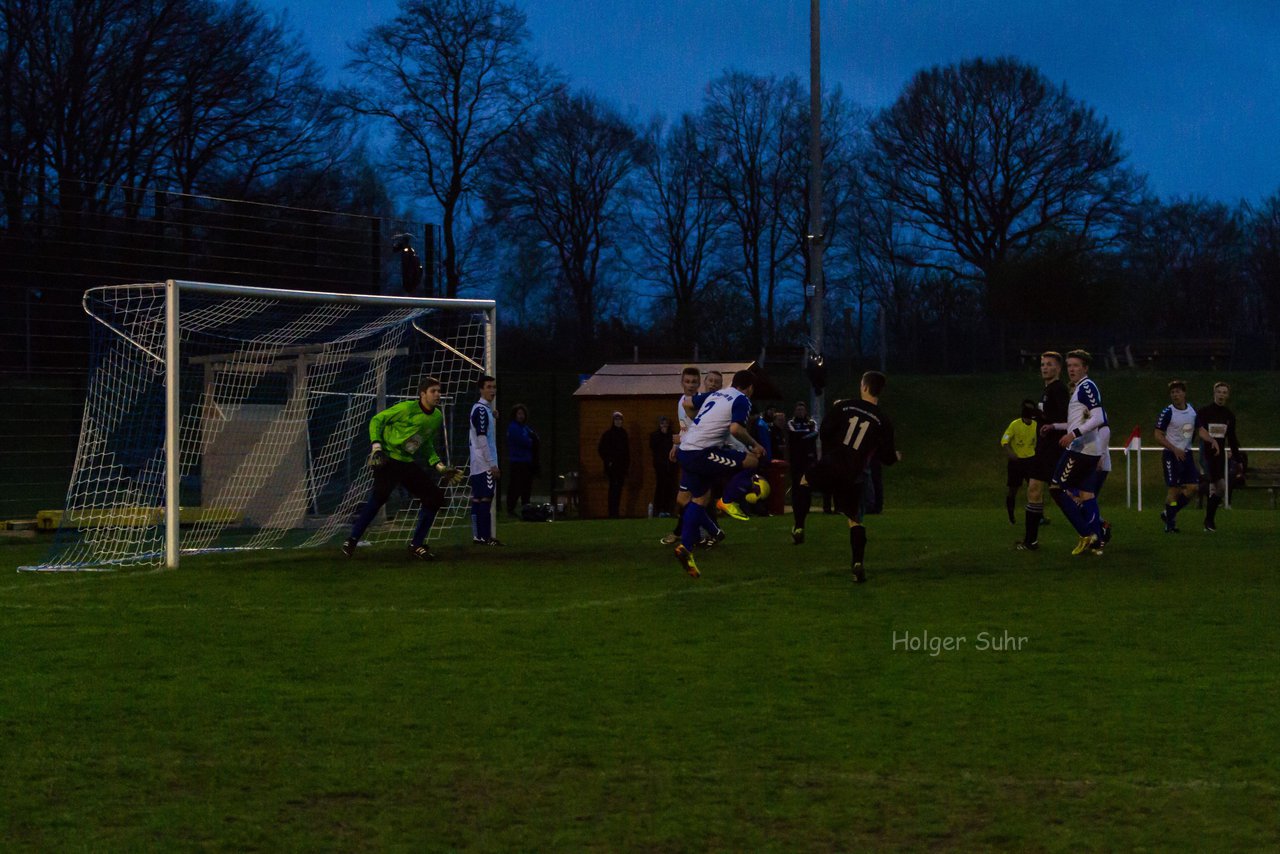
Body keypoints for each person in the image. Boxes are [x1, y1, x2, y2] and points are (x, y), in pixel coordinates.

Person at [790, 371, 900, 583]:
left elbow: (825, 431)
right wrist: (895, 456)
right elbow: (886, 457)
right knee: (854, 519)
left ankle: (800, 525)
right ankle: (857, 563)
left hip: (833, 462)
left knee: (804, 481)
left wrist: (834, 449)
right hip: (854, 473)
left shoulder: (845, 406)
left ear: (865, 387)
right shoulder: (883, 421)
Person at [341, 376, 464, 560]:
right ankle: (351, 540)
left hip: (406, 462)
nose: (438, 394)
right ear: (423, 394)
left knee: (435, 497)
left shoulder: (436, 416)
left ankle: (416, 545)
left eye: (439, 390)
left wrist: (439, 466)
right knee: (379, 497)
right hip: (388, 459)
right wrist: (377, 447)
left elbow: (426, 443)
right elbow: (376, 420)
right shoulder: (406, 408)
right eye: (433, 391)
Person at [672, 370, 766, 578]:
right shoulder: (742, 399)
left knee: (699, 498)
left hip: (686, 450)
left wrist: (700, 425)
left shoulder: (716, 394)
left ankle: (686, 548)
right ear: (750, 388)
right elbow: (735, 429)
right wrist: (755, 444)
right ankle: (727, 500)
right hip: (700, 453)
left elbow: (688, 403)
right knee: (753, 460)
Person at [1048, 350, 1108, 555]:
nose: (1071, 369)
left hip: (1081, 449)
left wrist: (1073, 434)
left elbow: (1099, 417)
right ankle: (1098, 541)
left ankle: (1086, 534)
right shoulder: (1080, 389)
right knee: (1086, 494)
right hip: (1088, 449)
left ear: (1085, 368)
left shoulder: (1087, 386)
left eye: (1076, 365)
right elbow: (1080, 419)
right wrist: (1057, 426)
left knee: (1056, 488)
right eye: (1069, 366)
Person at [660, 367, 724, 547]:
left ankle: (706, 532)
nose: (690, 385)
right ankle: (704, 532)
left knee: (696, 497)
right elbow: (685, 426)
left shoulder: (704, 403)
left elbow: (702, 429)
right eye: (687, 382)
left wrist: (682, 440)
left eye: (694, 382)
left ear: (698, 384)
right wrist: (676, 444)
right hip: (690, 452)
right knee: (692, 498)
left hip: (702, 454)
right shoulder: (683, 401)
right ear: (682, 383)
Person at [1017, 351, 1069, 551]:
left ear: (1058, 368)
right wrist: (1036, 416)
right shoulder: (1047, 390)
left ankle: (1097, 527)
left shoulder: (1059, 390)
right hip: (1043, 449)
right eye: (1042, 364)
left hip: (1054, 450)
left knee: (1068, 494)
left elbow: (1067, 421)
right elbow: (1049, 416)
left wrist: (1045, 420)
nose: (1044, 367)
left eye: (1049, 364)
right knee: (1034, 489)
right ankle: (1031, 541)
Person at [1195, 381, 1241, 532]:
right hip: (1206, 455)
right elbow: (1197, 431)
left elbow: (1232, 439)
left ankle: (1208, 522)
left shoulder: (1229, 416)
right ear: (1214, 393)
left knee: (1218, 489)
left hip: (1219, 456)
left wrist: (1238, 459)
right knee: (1219, 486)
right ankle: (1209, 522)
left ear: (1227, 396)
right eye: (1219, 392)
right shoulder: (1204, 412)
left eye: (1224, 392)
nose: (1221, 395)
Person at [1154, 380, 1199, 533]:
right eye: (1173, 392)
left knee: (1193, 488)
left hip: (1187, 454)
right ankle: (1170, 524)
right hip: (1171, 455)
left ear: (1184, 393)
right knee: (1174, 490)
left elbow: (1198, 429)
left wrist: (1211, 440)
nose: (1175, 395)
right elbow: (1158, 434)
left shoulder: (1192, 411)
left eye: (1178, 392)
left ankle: (1169, 513)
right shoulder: (1168, 412)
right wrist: (1174, 449)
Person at [469, 375, 502, 545]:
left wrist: (492, 413)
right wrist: (492, 465)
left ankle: (478, 536)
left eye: (494, 387)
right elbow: (482, 439)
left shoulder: (480, 409)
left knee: (477, 499)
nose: (492, 390)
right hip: (484, 463)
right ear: (481, 389)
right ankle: (486, 537)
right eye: (488, 387)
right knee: (485, 499)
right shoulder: (481, 410)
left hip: (476, 463)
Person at [1000, 399, 1039, 524]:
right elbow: (1004, 440)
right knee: (1013, 490)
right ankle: (1011, 515)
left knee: (1035, 488)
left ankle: (1039, 516)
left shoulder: (1035, 425)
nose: (1029, 421)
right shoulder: (1014, 425)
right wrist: (1010, 452)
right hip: (1016, 462)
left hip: (1030, 461)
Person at [505, 403, 538, 517]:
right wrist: (531, 441)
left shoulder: (524, 427)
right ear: (514, 415)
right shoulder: (513, 427)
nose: (521, 416)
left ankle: (526, 507)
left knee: (526, 486)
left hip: (527, 461)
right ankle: (510, 508)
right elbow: (526, 442)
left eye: (522, 414)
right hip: (518, 461)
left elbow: (535, 438)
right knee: (516, 485)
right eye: (519, 413)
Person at [786, 401, 819, 509]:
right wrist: (805, 435)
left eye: (802, 410)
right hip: (796, 457)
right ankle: (796, 504)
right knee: (796, 481)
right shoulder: (791, 422)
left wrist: (802, 437)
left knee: (807, 481)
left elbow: (815, 433)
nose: (800, 412)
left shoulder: (812, 422)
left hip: (809, 457)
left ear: (805, 411)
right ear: (795, 411)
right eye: (798, 410)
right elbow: (793, 433)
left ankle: (807, 505)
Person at [598, 411, 630, 518]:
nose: (618, 421)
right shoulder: (608, 434)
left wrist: (626, 465)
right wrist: (608, 461)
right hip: (612, 467)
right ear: (613, 421)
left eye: (620, 419)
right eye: (616, 419)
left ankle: (615, 512)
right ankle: (612, 512)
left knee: (618, 489)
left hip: (621, 467)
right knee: (613, 489)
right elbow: (601, 449)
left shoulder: (624, 434)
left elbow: (626, 451)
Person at [649, 415, 678, 517]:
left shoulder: (672, 435)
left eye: (666, 423)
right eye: (662, 423)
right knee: (660, 487)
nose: (664, 425)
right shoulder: (655, 436)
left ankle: (668, 510)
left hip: (670, 466)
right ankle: (659, 510)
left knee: (670, 488)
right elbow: (654, 448)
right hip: (660, 466)